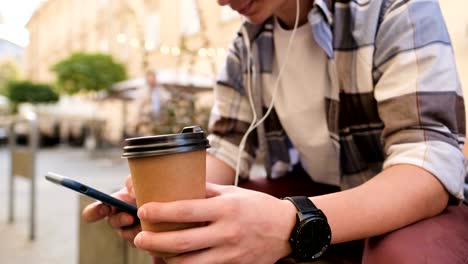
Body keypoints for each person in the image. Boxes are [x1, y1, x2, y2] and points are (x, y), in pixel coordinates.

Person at [83, 0, 468, 263]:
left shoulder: (392, 8)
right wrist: (162, 203)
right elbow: (226, 147)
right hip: (317, 189)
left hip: (403, 204)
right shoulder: (247, 43)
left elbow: (429, 165)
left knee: (414, 253)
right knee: (200, 234)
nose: (220, 2)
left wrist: (291, 221)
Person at [135, 70, 171, 135]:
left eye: (153, 78)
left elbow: (167, 99)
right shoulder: (142, 91)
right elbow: (138, 107)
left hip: (160, 121)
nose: (152, 80)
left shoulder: (160, 90)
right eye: (150, 79)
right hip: (147, 122)